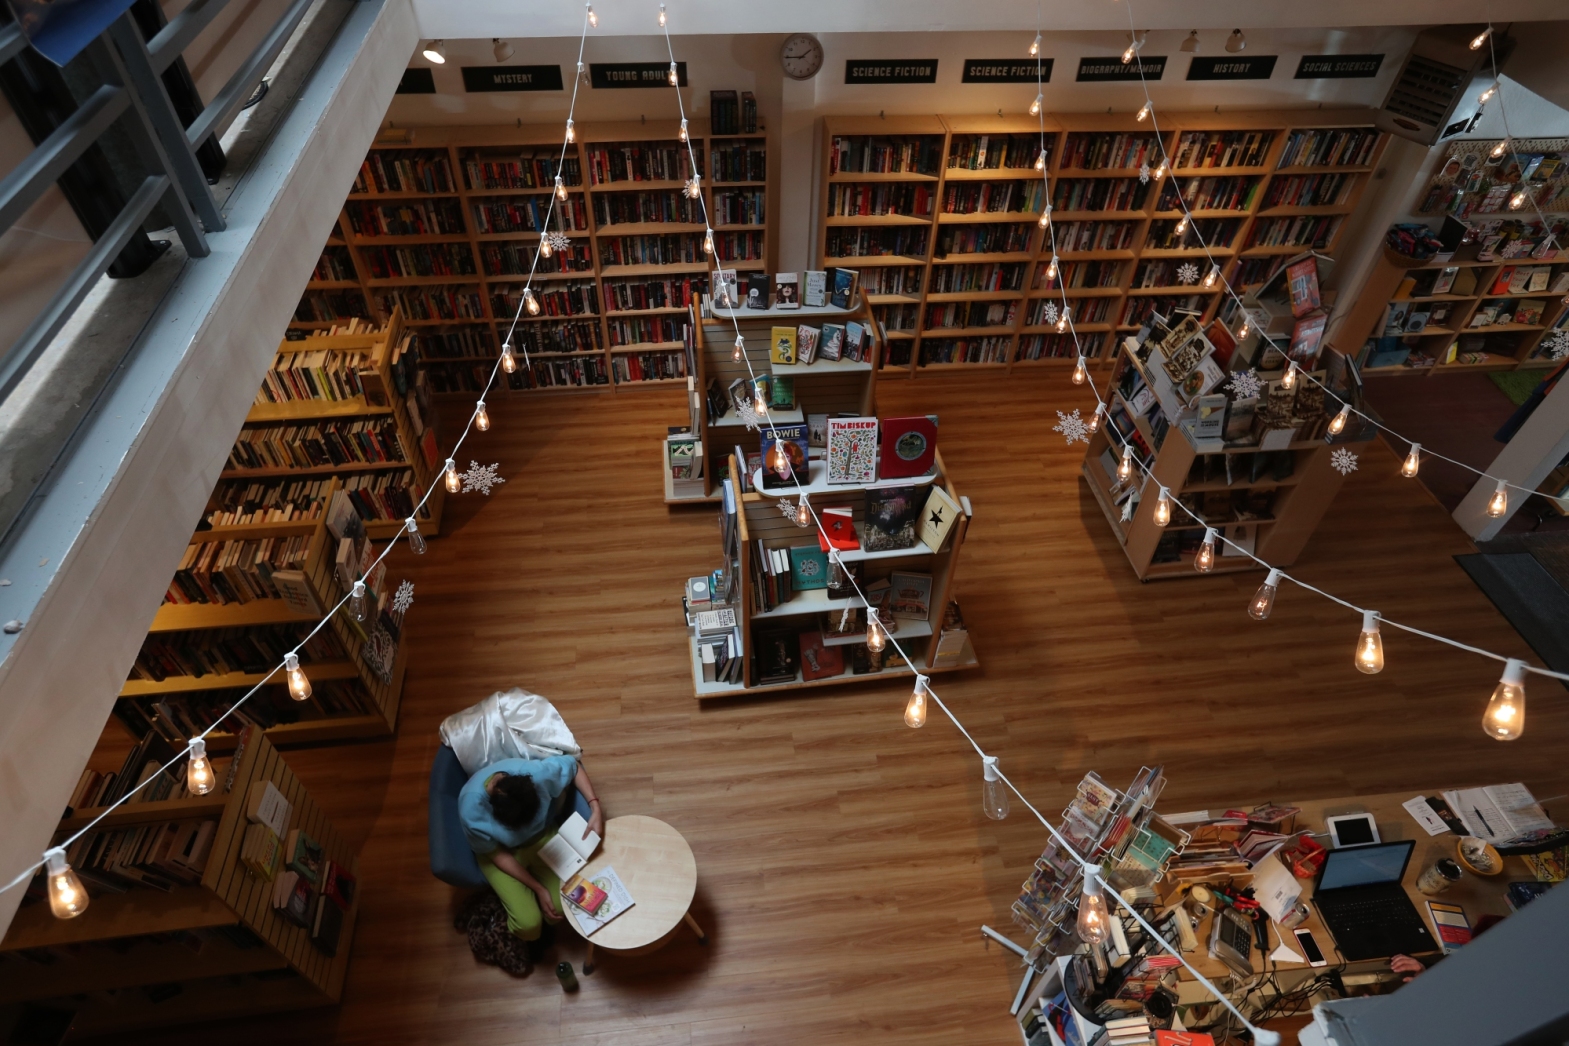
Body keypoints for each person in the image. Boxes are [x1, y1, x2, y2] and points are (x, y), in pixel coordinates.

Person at [459, 755, 604, 944]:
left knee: (562, 907)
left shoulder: (539, 774)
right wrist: (539, 888)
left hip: (541, 837)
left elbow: (573, 765)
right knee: (528, 926)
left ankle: (532, 907)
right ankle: (515, 913)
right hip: (501, 852)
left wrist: (595, 807)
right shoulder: (471, 810)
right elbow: (496, 854)